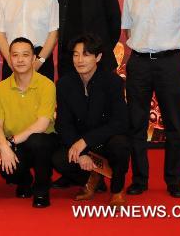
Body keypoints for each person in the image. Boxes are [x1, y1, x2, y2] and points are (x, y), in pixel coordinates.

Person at [122, 0, 180, 199]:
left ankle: (174, 181)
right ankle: (140, 180)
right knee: (137, 124)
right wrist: (145, 51)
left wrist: (167, 50)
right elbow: (128, 33)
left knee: (173, 123)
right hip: (139, 64)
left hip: (169, 64)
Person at [52, 34, 130, 205]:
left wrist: (85, 141)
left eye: (86, 54)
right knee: (58, 159)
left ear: (98, 57)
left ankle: (117, 190)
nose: (80, 60)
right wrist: (81, 152)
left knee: (121, 145)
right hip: (80, 141)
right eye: (76, 54)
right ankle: (91, 179)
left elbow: (120, 122)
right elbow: (63, 123)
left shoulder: (113, 82)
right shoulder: (65, 84)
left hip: (105, 139)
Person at [0, 37, 58, 208]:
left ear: (34, 58)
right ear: (9, 58)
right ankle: (25, 180)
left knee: (37, 140)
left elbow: (42, 125)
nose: (20, 60)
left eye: (25, 55)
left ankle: (42, 189)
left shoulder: (47, 85)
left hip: (43, 141)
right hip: (16, 143)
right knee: (4, 162)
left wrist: (9, 142)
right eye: (15, 55)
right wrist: (4, 147)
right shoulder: (0, 88)